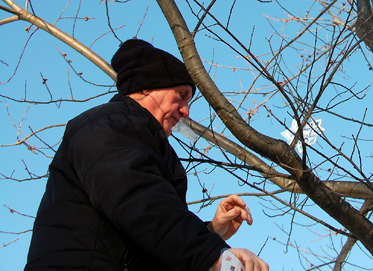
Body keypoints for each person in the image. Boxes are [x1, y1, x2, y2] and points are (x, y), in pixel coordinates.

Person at [25, 39, 269, 271]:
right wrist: (212, 254)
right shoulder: (105, 125)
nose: (185, 111)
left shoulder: (148, 144)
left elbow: (149, 237)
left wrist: (211, 231)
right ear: (146, 87)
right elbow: (139, 200)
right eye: (181, 96)